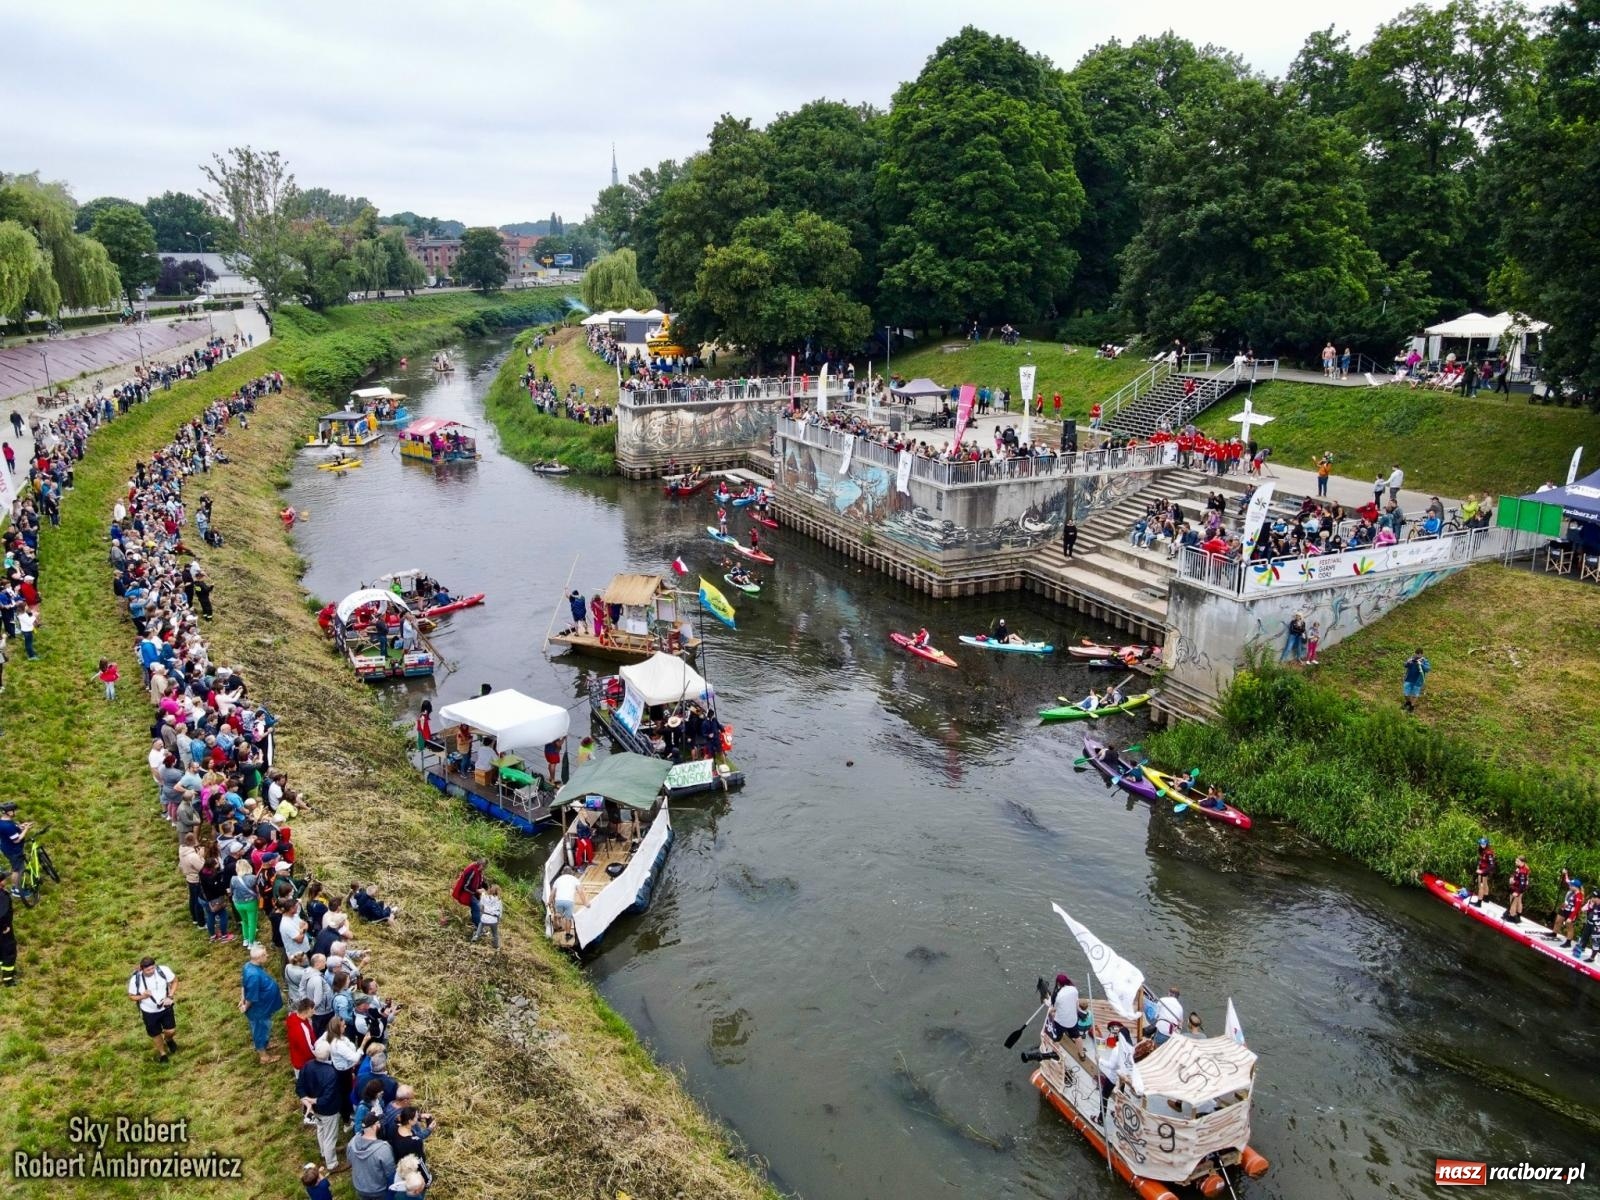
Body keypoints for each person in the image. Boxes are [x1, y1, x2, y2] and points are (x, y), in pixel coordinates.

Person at [128, 956, 180, 1062]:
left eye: (153, 968)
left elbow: (175, 981)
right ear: (142, 969)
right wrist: (143, 996)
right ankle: (163, 1054)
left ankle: (169, 1039)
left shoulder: (163, 970)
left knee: (171, 1030)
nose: (151, 971)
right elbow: (131, 996)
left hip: (165, 1007)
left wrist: (170, 996)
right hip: (148, 1011)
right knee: (155, 1033)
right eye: (148, 970)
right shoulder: (136, 979)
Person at [239, 944, 283, 1063]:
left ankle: (265, 1043)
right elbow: (251, 997)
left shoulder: (249, 966)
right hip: (259, 1010)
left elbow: (243, 985)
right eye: (265, 954)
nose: (267, 956)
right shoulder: (254, 976)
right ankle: (263, 1056)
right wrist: (245, 1006)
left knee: (264, 1028)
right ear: (259, 957)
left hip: (264, 1007)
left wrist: (242, 998)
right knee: (260, 1030)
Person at [1096, 1020, 1137, 1125]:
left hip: (1113, 1077)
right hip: (1124, 1077)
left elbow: (1111, 1066)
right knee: (1120, 1096)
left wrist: (1099, 1060)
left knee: (1104, 1096)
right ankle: (1117, 1113)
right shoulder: (1131, 1048)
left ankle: (1101, 1119)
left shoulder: (1116, 1050)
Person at [347, 1112, 396, 1200]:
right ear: (375, 1126)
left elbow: (349, 1161)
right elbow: (391, 1173)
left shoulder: (352, 1142)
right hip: (378, 1191)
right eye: (378, 1123)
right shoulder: (383, 1148)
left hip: (360, 1187)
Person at [1, 802, 28, 895]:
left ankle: (16, 887)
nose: (15, 812)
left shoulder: (4, 821)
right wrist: (26, 829)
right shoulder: (7, 826)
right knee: (18, 870)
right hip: (13, 851)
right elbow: (17, 840)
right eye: (14, 810)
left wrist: (21, 826)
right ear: (9, 812)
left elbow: (14, 828)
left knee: (16, 866)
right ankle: (16, 890)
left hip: (7, 848)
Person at [449, 858, 486, 929]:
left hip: (471, 893)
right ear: (480, 864)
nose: (484, 869)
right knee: (477, 906)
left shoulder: (478, 871)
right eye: (484, 867)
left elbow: (479, 882)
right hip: (464, 893)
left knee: (482, 905)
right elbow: (466, 886)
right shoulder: (472, 871)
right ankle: (478, 927)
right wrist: (477, 891)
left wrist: (483, 889)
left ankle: (476, 921)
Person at [1047, 973, 1080, 1040]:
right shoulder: (1074, 989)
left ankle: (1057, 1040)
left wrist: (1049, 1011)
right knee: (1077, 1037)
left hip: (1061, 1023)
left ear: (1058, 983)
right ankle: (1080, 1050)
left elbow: (1055, 1009)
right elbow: (1076, 1004)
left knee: (1057, 1038)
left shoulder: (1059, 995)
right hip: (1073, 1021)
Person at [472, 883, 503, 949]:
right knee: (495, 933)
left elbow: (480, 906)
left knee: (480, 925)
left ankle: (476, 936)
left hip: (485, 917)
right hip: (494, 919)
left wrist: (482, 913)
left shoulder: (484, 896)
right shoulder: (499, 900)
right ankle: (496, 946)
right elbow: (500, 912)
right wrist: (498, 920)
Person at [551, 868, 580, 935]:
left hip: (558, 900)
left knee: (558, 914)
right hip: (567, 901)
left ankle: (557, 925)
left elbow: (553, 894)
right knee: (567, 918)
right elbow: (578, 891)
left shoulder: (558, 880)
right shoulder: (573, 880)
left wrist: (550, 902)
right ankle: (566, 932)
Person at [1472, 838, 1497, 908]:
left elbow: (1492, 865)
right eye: (1480, 843)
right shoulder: (1484, 851)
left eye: (1483, 844)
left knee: (1481, 886)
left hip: (1484, 871)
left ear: (1486, 844)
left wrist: (1482, 871)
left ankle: (1479, 903)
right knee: (1485, 884)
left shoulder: (1488, 853)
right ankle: (1486, 898)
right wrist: (1479, 867)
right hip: (1482, 870)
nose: (1481, 845)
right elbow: (1483, 861)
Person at [0, 885, 16, 987]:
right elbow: (3, 913)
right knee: (9, 951)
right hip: (3, 930)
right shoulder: (2, 895)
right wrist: (4, 926)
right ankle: (8, 979)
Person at [1506, 856, 1530, 923]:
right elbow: (1515, 875)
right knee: (1519, 901)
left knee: (1513, 902)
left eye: (1517, 861)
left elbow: (1522, 883)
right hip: (1519, 887)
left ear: (1522, 862)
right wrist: (1512, 879)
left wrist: (1517, 891)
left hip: (1517, 888)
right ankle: (1518, 915)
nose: (1515, 862)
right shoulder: (1521, 868)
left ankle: (1512, 916)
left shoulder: (1522, 871)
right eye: (1516, 861)